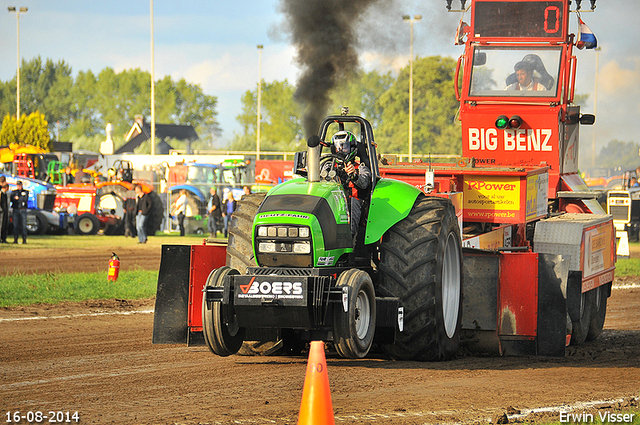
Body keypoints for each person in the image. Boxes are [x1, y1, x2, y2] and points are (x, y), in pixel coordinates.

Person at [322, 130, 371, 238]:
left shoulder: (360, 167)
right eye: (337, 147)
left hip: (352, 203)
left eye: (344, 147)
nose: (340, 150)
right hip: (331, 201)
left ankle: (349, 237)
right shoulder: (327, 166)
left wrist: (354, 175)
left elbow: (365, 183)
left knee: (353, 201)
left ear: (352, 148)